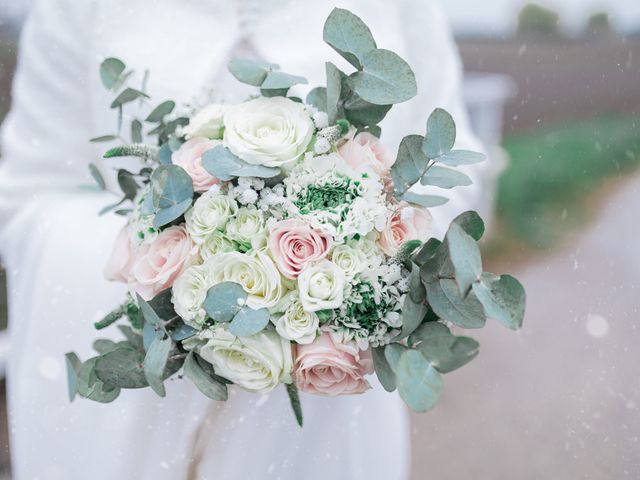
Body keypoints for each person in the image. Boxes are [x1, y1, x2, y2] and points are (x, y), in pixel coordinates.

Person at [0, 0, 486, 478]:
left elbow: (460, 191)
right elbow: (26, 193)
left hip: (327, 408)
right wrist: (176, 263)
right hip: (133, 393)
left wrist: (355, 268)